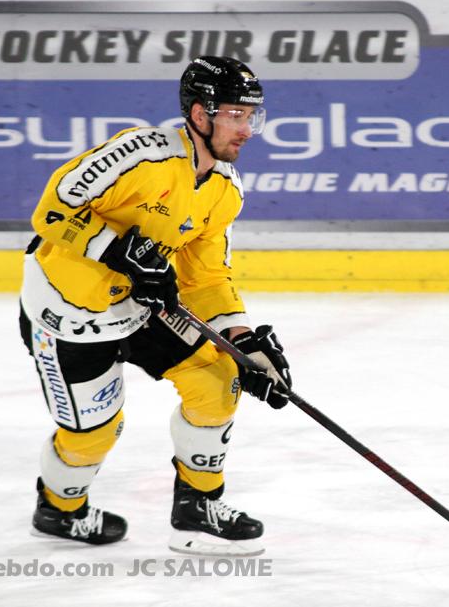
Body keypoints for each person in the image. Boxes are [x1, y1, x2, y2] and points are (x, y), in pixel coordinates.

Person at [17, 56, 292, 557]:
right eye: (234, 113)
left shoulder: (224, 190)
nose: (247, 128)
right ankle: (58, 509)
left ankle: (197, 511)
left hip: (143, 308)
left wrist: (242, 341)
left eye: (252, 115)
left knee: (217, 381)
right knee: (94, 433)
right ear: (199, 114)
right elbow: (53, 210)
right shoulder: (140, 153)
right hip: (69, 315)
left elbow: (205, 278)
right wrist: (118, 250)